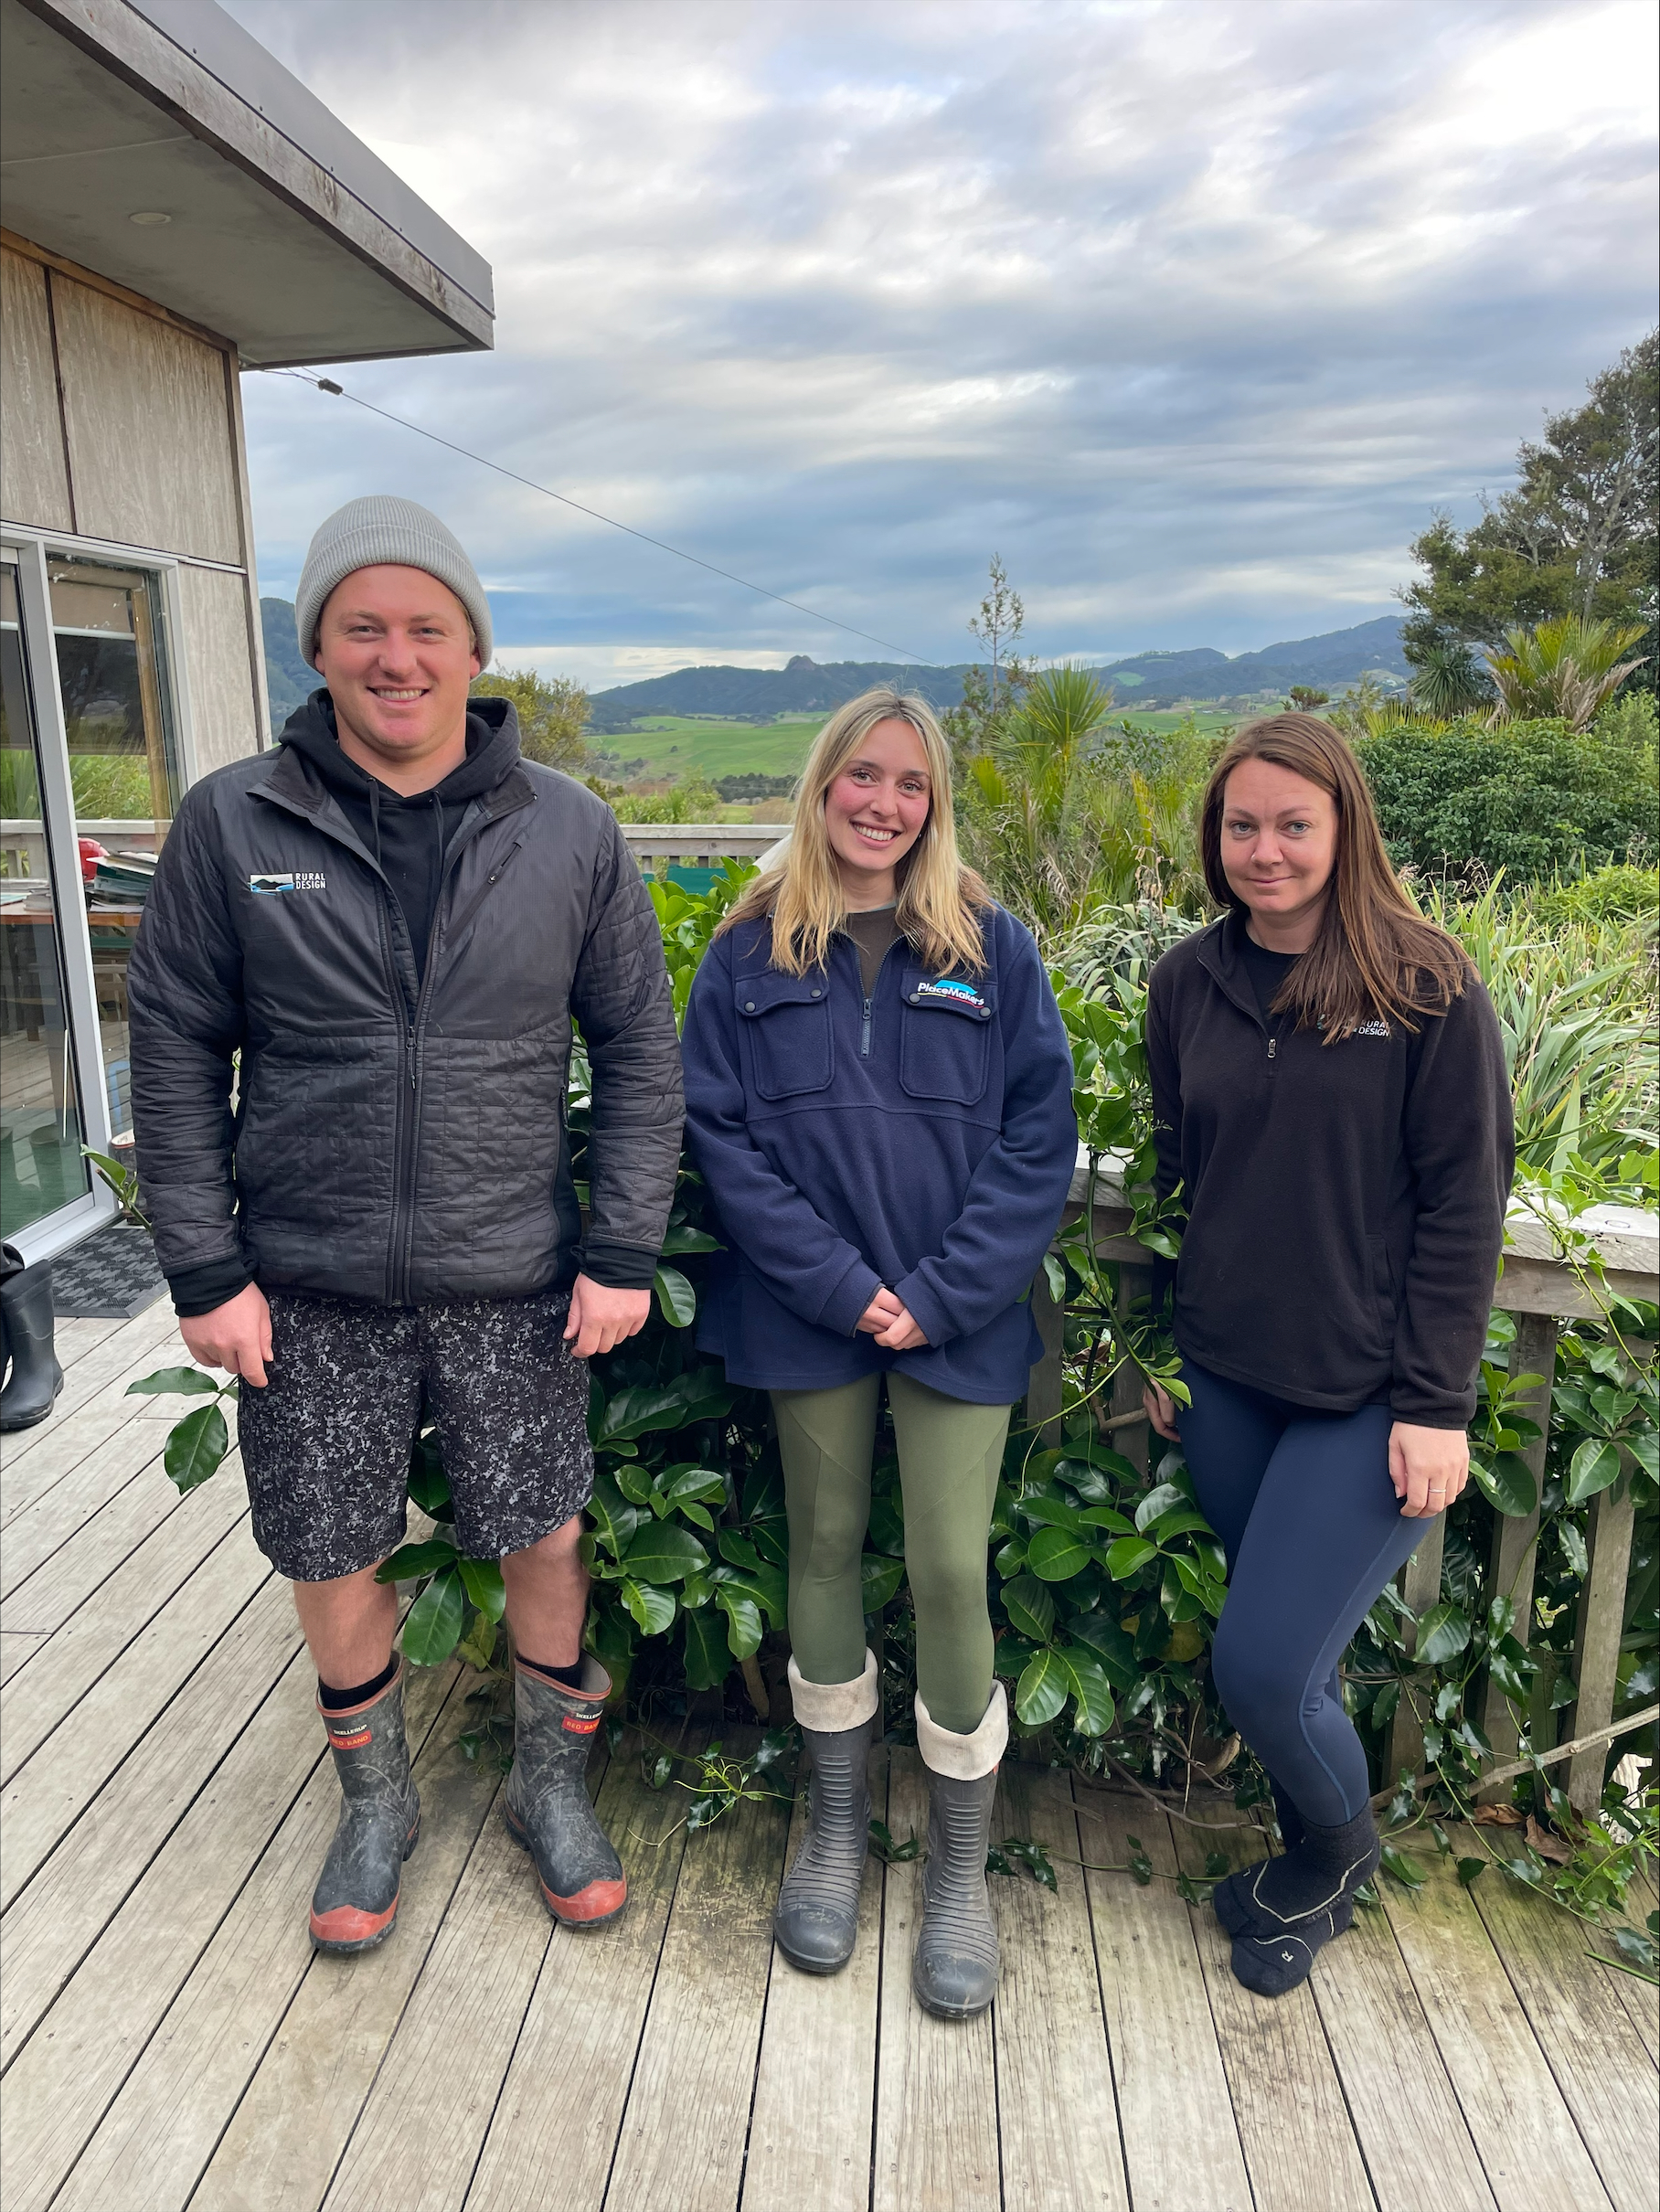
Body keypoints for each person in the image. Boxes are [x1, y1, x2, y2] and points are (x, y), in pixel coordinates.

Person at [128, 496, 682, 1953]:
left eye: (426, 626)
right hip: (303, 1279)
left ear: (473, 646)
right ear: (317, 646)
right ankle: (376, 1805)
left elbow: (637, 1049)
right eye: (362, 625)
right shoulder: (233, 823)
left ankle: (547, 1789)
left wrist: (621, 1251)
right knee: (328, 1545)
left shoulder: (568, 830)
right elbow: (175, 1047)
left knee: (543, 1530)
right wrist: (206, 1265)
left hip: (516, 1271)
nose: (397, 655)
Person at [681, 686, 1077, 2019]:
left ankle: (958, 1869)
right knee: (822, 1550)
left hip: (957, 1317)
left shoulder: (991, 947)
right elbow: (721, 1143)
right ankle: (838, 1831)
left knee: (952, 1570)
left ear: (934, 801)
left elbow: (1038, 1138)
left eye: (909, 783)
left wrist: (942, 1292)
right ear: (821, 786)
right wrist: (850, 1290)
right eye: (861, 776)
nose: (883, 803)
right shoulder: (745, 957)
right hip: (809, 1313)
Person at [1141, 711, 1513, 2000]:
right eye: (1242, 825)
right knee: (1291, 1653)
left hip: (1370, 1399)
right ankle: (1314, 1851)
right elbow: (1179, 1180)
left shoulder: (1426, 985)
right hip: (1229, 1382)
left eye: (1293, 824)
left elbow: (1467, 1204)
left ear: (1344, 828)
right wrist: (1159, 1352)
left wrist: (1437, 1406)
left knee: (1261, 1664)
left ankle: (1338, 1858)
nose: (1266, 850)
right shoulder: (1186, 983)